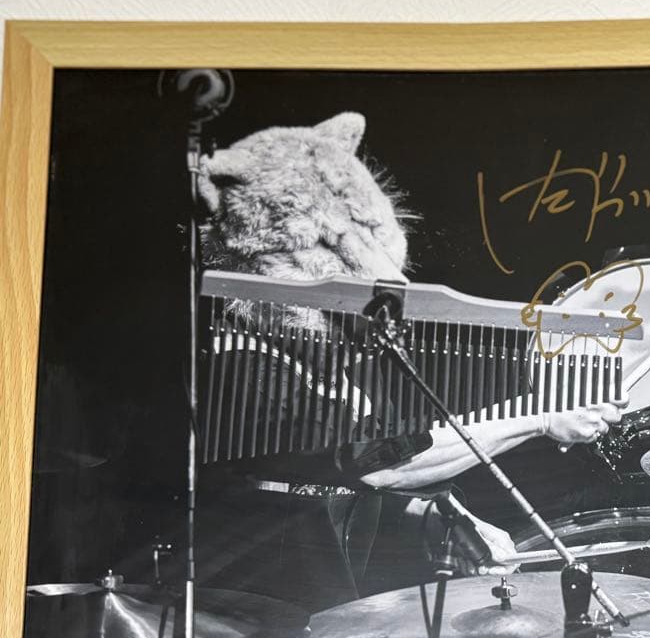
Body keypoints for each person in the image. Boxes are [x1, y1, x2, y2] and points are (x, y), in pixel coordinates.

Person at [194, 112, 627, 608]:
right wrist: (539, 419)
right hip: (257, 614)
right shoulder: (241, 365)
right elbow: (382, 467)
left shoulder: (342, 355)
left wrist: (444, 518)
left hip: (338, 603)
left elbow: (397, 454)